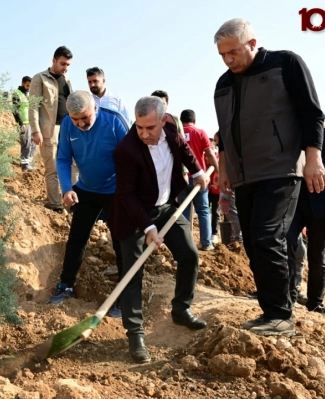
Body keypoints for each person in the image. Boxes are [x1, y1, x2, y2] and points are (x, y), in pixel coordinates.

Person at [213, 19, 325, 336]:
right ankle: (269, 313)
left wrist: (313, 158)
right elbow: (225, 132)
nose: (228, 60)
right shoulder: (223, 84)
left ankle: (281, 315)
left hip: (281, 169)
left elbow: (311, 113)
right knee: (251, 242)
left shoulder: (284, 63)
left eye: (233, 52)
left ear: (252, 43)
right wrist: (224, 167)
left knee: (267, 236)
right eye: (222, 54)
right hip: (244, 176)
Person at [108, 96, 208, 363]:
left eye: (150, 128)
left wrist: (197, 172)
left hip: (166, 207)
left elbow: (183, 149)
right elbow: (126, 196)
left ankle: (181, 310)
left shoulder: (173, 129)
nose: (144, 134)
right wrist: (149, 227)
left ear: (164, 120)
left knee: (189, 255)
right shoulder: (126, 151)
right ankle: (135, 333)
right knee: (132, 272)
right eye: (139, 127)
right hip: (133, 215)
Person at [47, 91, 127, 320]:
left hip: (116, 192)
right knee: (77, 238)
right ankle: (66, 285)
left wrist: (128, 194)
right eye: (75, 119)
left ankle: (124, 296)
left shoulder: (114, 121)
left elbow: (132, 157)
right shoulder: (69, 127)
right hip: (86, 190)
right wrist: (67, 188)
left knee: (121, 243)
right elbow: (63, 159)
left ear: (95, 108)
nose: (81, 123)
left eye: (85, 118)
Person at [286, 125, 325, 317]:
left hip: (323, 209)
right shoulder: (294, 135)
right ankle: (288, 298)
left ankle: (316, 304)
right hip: (294, 205)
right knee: (285, 245)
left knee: (318, 258)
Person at [29, 46, 76, 213]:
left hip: (69, 129)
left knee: (73, 166)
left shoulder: (68, 81)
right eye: (63, 63)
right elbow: (33, 106)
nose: (65, 67)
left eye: (68, 64)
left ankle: (71, 204)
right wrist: (35, 130)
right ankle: (55, 205)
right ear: (54, 60)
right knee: (53, 168)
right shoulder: (40, 78)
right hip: (49, 130)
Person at [176, 109, 219, 251]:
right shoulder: (200, 133)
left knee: (184, 211)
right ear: (194, 121)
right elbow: (210, 154)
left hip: (182, 179)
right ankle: (206, 243)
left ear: (181, 122)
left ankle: (186, 244)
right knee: (203, 210)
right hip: (198, 179)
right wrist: (218, 170)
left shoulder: (177, 134)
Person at [11, 76, 36, 172]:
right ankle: (25, 165)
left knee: (33, 143)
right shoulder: (17, 94)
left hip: (31, 123)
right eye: (27, 85)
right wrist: (20, 123)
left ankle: (29, 162)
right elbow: (15, 110)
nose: (29, 88)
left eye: (30, 86)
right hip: (23, 124)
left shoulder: (27, 95)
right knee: (26, 143)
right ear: (22, 83)